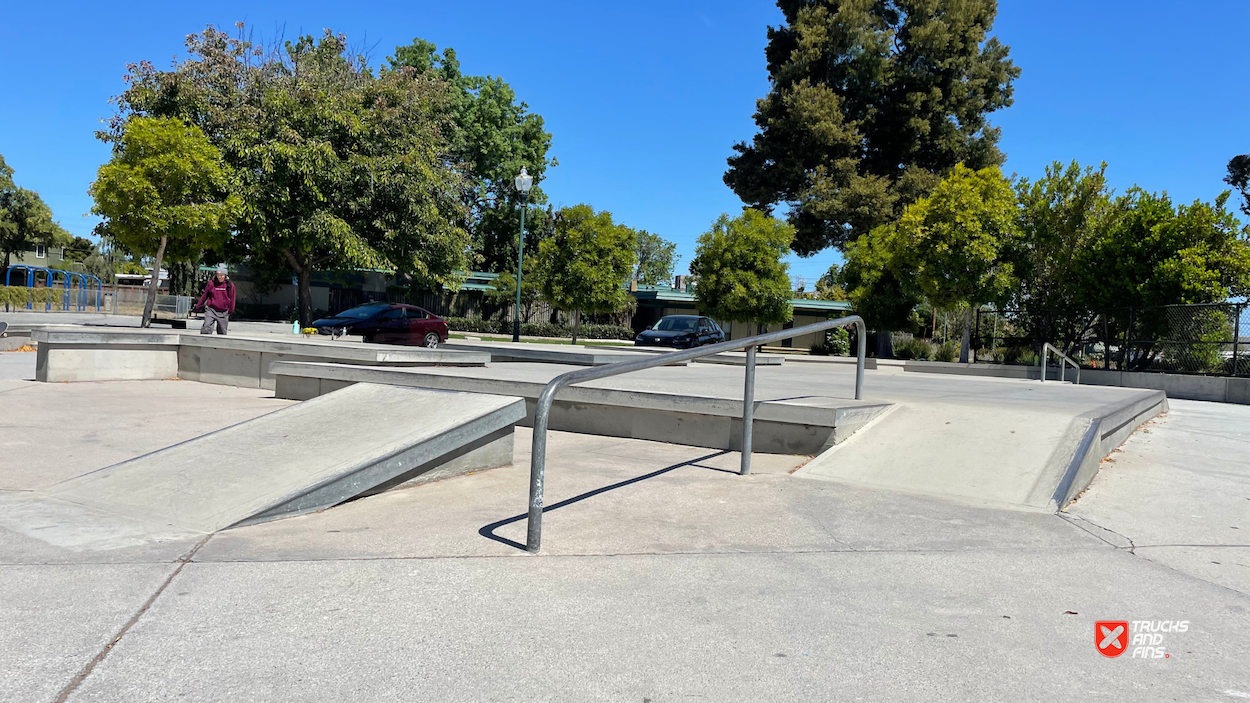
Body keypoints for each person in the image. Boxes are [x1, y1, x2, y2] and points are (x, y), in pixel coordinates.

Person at [195, 264, 235, 335]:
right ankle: (204, 341)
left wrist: (231, 310)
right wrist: (198, 305)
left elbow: (232, 298)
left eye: (222, 275)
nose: (220, 277)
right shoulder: (211, 283)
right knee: (207, 327)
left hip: (224, 311)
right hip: (211, 309)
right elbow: (205, 295)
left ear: (225, 275)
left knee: (222, 331)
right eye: (218, 275)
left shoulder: (229, 285)